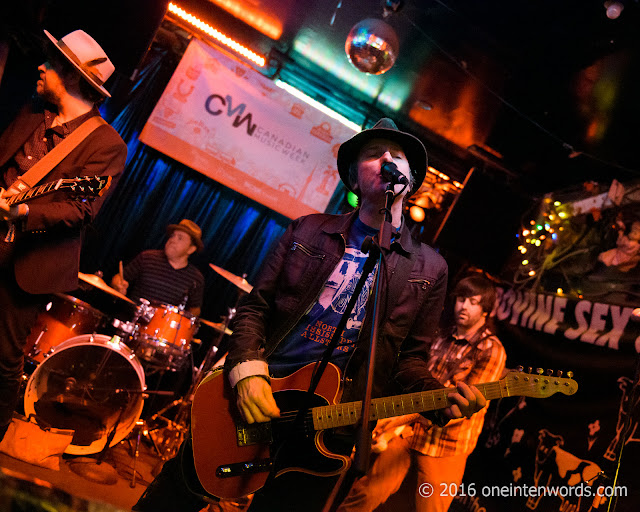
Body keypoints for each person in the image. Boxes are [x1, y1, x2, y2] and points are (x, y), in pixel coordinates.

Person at [133, 118, 487, 512]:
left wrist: (440, 398)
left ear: (413, 177)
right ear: (354, 179)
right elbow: (256, 308)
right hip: (259, 398)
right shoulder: (308, 231)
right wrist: (247, 370)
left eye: (399, 155)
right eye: (374, 153)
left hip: (331, 429)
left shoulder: (430, 268)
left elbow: (410, 361)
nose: (388, 159)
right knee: (171, 499)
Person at [0, 29, 127, 441]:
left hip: (27, 263)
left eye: (51, 64)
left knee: (3, 358)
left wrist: (22, 210)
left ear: (71, 76)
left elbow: (79, 209)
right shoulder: (32, 114)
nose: (41, 66)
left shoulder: (107, 145)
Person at [337, 274, 507, 512]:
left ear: (486, 310)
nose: (464, 306)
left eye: (474, 302)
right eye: (461, 299)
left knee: (431, 508)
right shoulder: (440, 335)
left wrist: (394, 422)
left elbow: (464, 408)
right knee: (364, 494)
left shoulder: (491, 349)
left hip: (446, 445)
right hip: (409, 432)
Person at [110, 219, 205, 316]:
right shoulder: (147, 257)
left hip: (161, 328)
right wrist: (117, 284)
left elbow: (195, 309)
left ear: (191, 249)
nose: (172, 240)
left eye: (180, 238)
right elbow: (118, 278)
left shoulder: (196, 278)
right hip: (129, 320)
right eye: (173, 236)